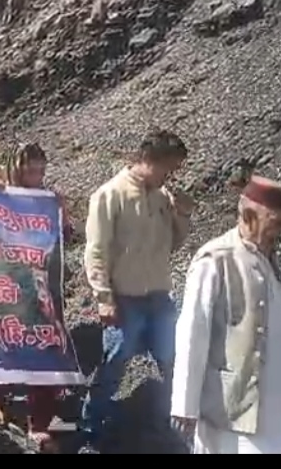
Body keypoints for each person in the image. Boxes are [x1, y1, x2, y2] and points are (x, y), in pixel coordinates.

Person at [171, 175, 281, 454]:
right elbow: (194, 331)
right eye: (276, 222)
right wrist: (185, 405)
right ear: (249, 216)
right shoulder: (216, 259)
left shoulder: (266, 257)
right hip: (232, 408)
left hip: (279, 407)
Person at [81, 129, 192, 449]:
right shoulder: (110, 195)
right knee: (114, 365)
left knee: (173, 361)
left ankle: (174, 426)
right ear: (148, 159)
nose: (171, 176)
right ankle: (90, 429)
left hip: (159, 296)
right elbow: (96, 251)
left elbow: (173, 244)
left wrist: (183, 214)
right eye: (168, 168)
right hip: (124, 298)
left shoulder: (162, 197)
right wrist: (103, 297)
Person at [0, 142, 73, 452]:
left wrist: (62, 214)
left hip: (38, 288)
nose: (36, 177)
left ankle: (39, 423)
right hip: (3, 286)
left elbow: (64, 241)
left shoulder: (45, 200)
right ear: (17, 168)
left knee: (43, 346)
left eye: (41, 171)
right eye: (31, 170)